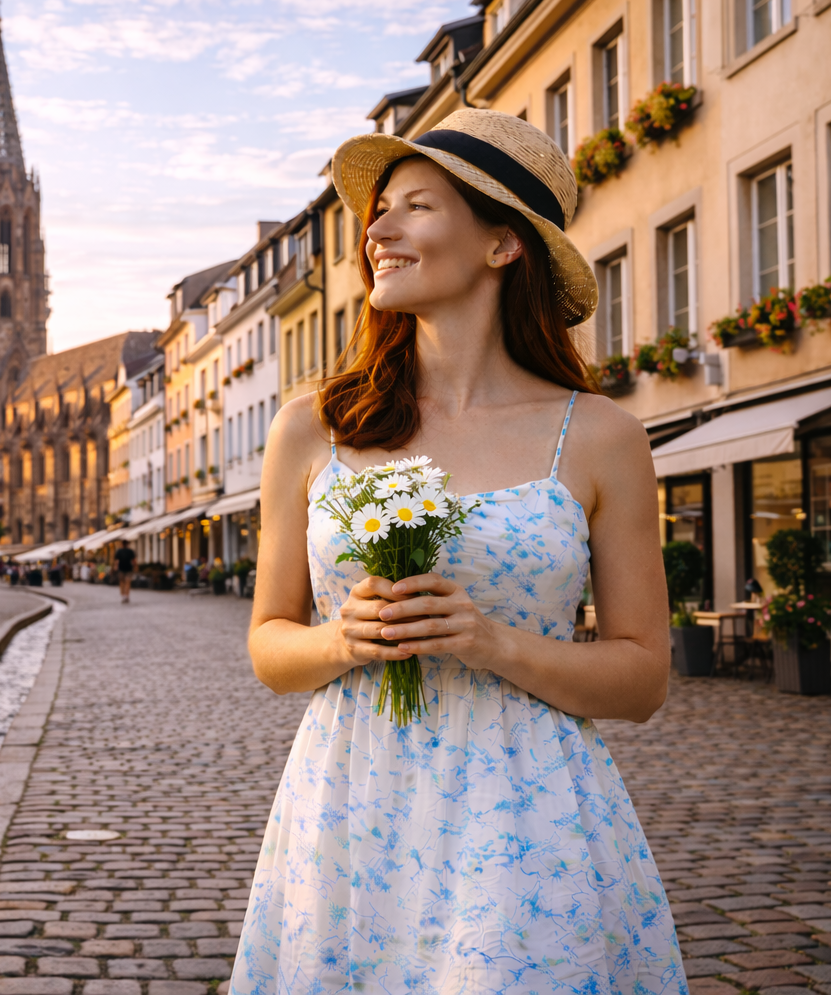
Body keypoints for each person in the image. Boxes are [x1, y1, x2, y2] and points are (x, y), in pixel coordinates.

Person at [237, 110, 680, 995]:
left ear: (502, 246)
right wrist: (341, 641)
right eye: (379, 210)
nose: (377, 231)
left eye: (416, 207)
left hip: (527, 814)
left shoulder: (598, 436)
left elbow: (643, 680)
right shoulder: (311, 427)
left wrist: (493, 642)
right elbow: (269, 647)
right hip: (351, 806)